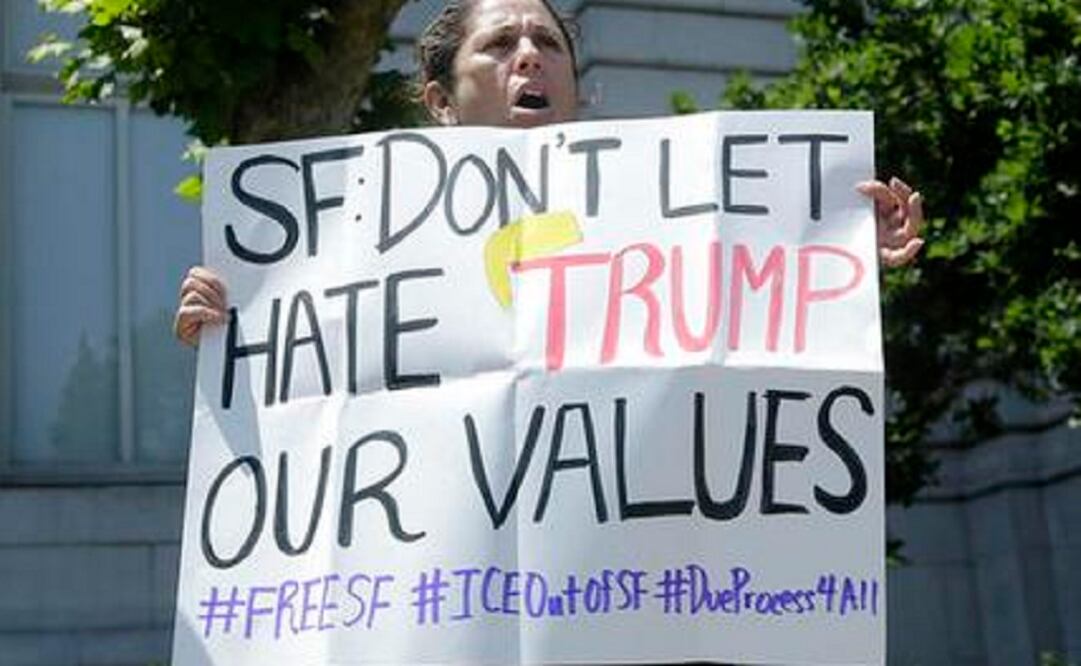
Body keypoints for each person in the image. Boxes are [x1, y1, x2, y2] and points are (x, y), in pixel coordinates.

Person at [174, 0, 924, 344]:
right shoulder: (355, 233)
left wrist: (848, 260)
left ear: (571, 81)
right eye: (499, 43)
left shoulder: (663, 212)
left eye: (546, 42)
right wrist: (232, 324)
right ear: (439, 98)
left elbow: (749, 315)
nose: (528, 55)